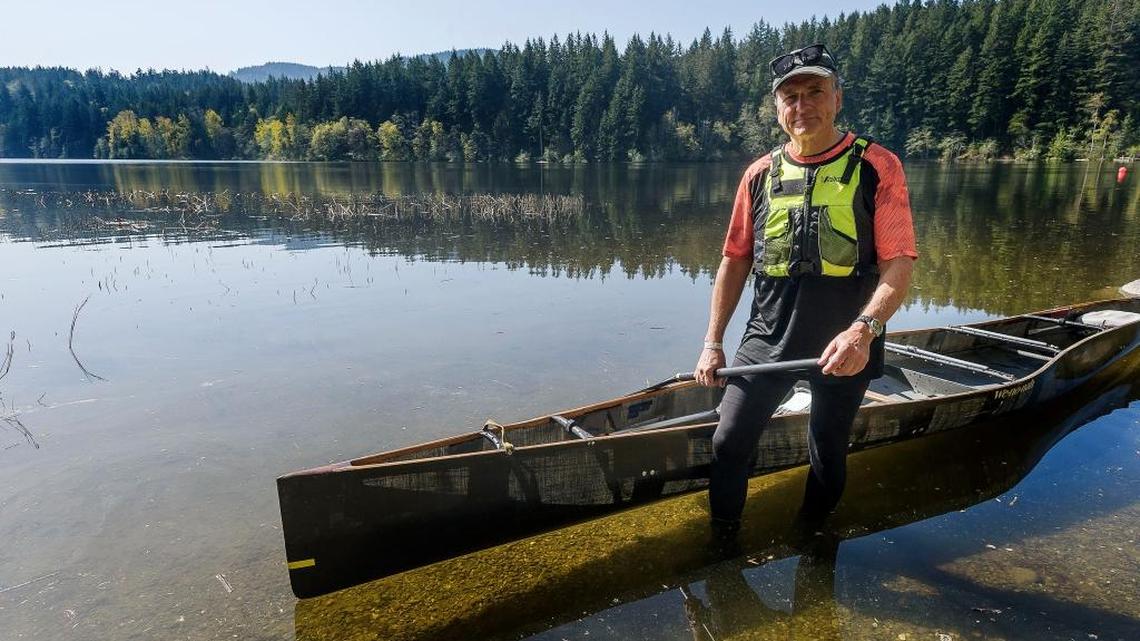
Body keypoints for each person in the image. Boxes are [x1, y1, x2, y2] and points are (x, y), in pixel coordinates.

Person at [694, 43, 917, 536]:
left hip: (845, 341)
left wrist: (865, 331)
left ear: (837, 97)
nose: (802, 106)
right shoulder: (758, 174)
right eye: (790, 97)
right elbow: (734, 260)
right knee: (728, 442)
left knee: (827, 448)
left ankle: (811, 541)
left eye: (815, 91)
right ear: (778, 109)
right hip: (766, 335)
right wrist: (713, 342)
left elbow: (899, 262)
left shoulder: (878, 165)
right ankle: (723, 547)